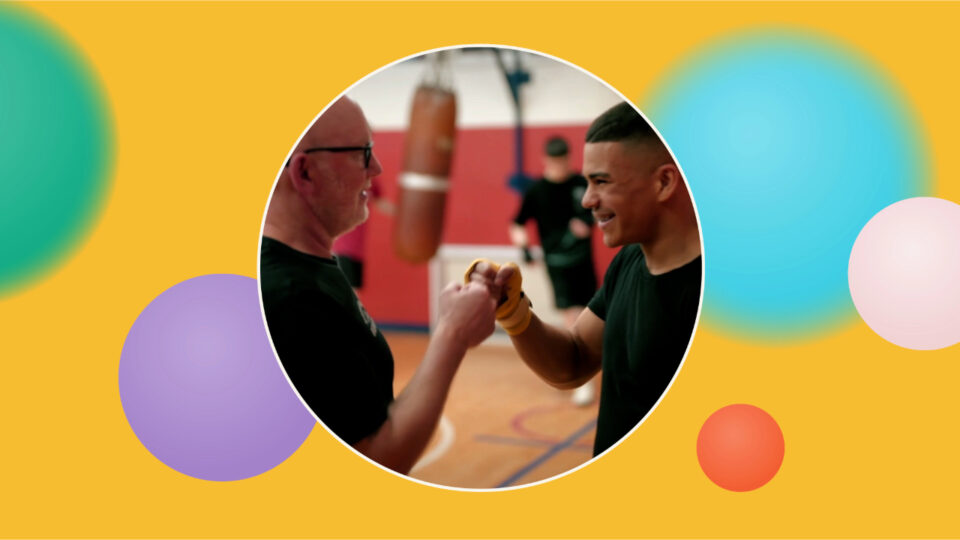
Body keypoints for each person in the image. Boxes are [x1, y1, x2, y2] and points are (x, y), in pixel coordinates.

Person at [260, 96, 497, 474]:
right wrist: (453, 333)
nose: (377, 167)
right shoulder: (286, 298)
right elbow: (375, 462)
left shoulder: (310, 270)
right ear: (304, 173)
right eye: (362, 152)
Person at [469, 101, 702, 455]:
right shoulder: (628, 261)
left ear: (664, 182)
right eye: (588, 181)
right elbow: (574, 360)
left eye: (601, 182)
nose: (588, 199)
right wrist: (513, 311)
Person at [509, 136, 599, 406]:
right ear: (546, 160)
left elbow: (600, 210)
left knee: (591, 315)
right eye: (555, 161)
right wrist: (524, 248)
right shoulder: (536, 191)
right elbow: (517, 223)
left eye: (564, 161)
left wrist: (590, 222)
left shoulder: (581, 184)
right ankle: (583, 381)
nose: (560, 166)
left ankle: (596, 368)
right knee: (570, 317)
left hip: (583, 262)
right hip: (556, 265)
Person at [332, 176, 394, 290]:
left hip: (358, 249)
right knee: (345, 291)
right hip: (341, 247)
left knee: (355, 291)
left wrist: (404, 215)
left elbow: (380, 202)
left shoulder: (371, 178)